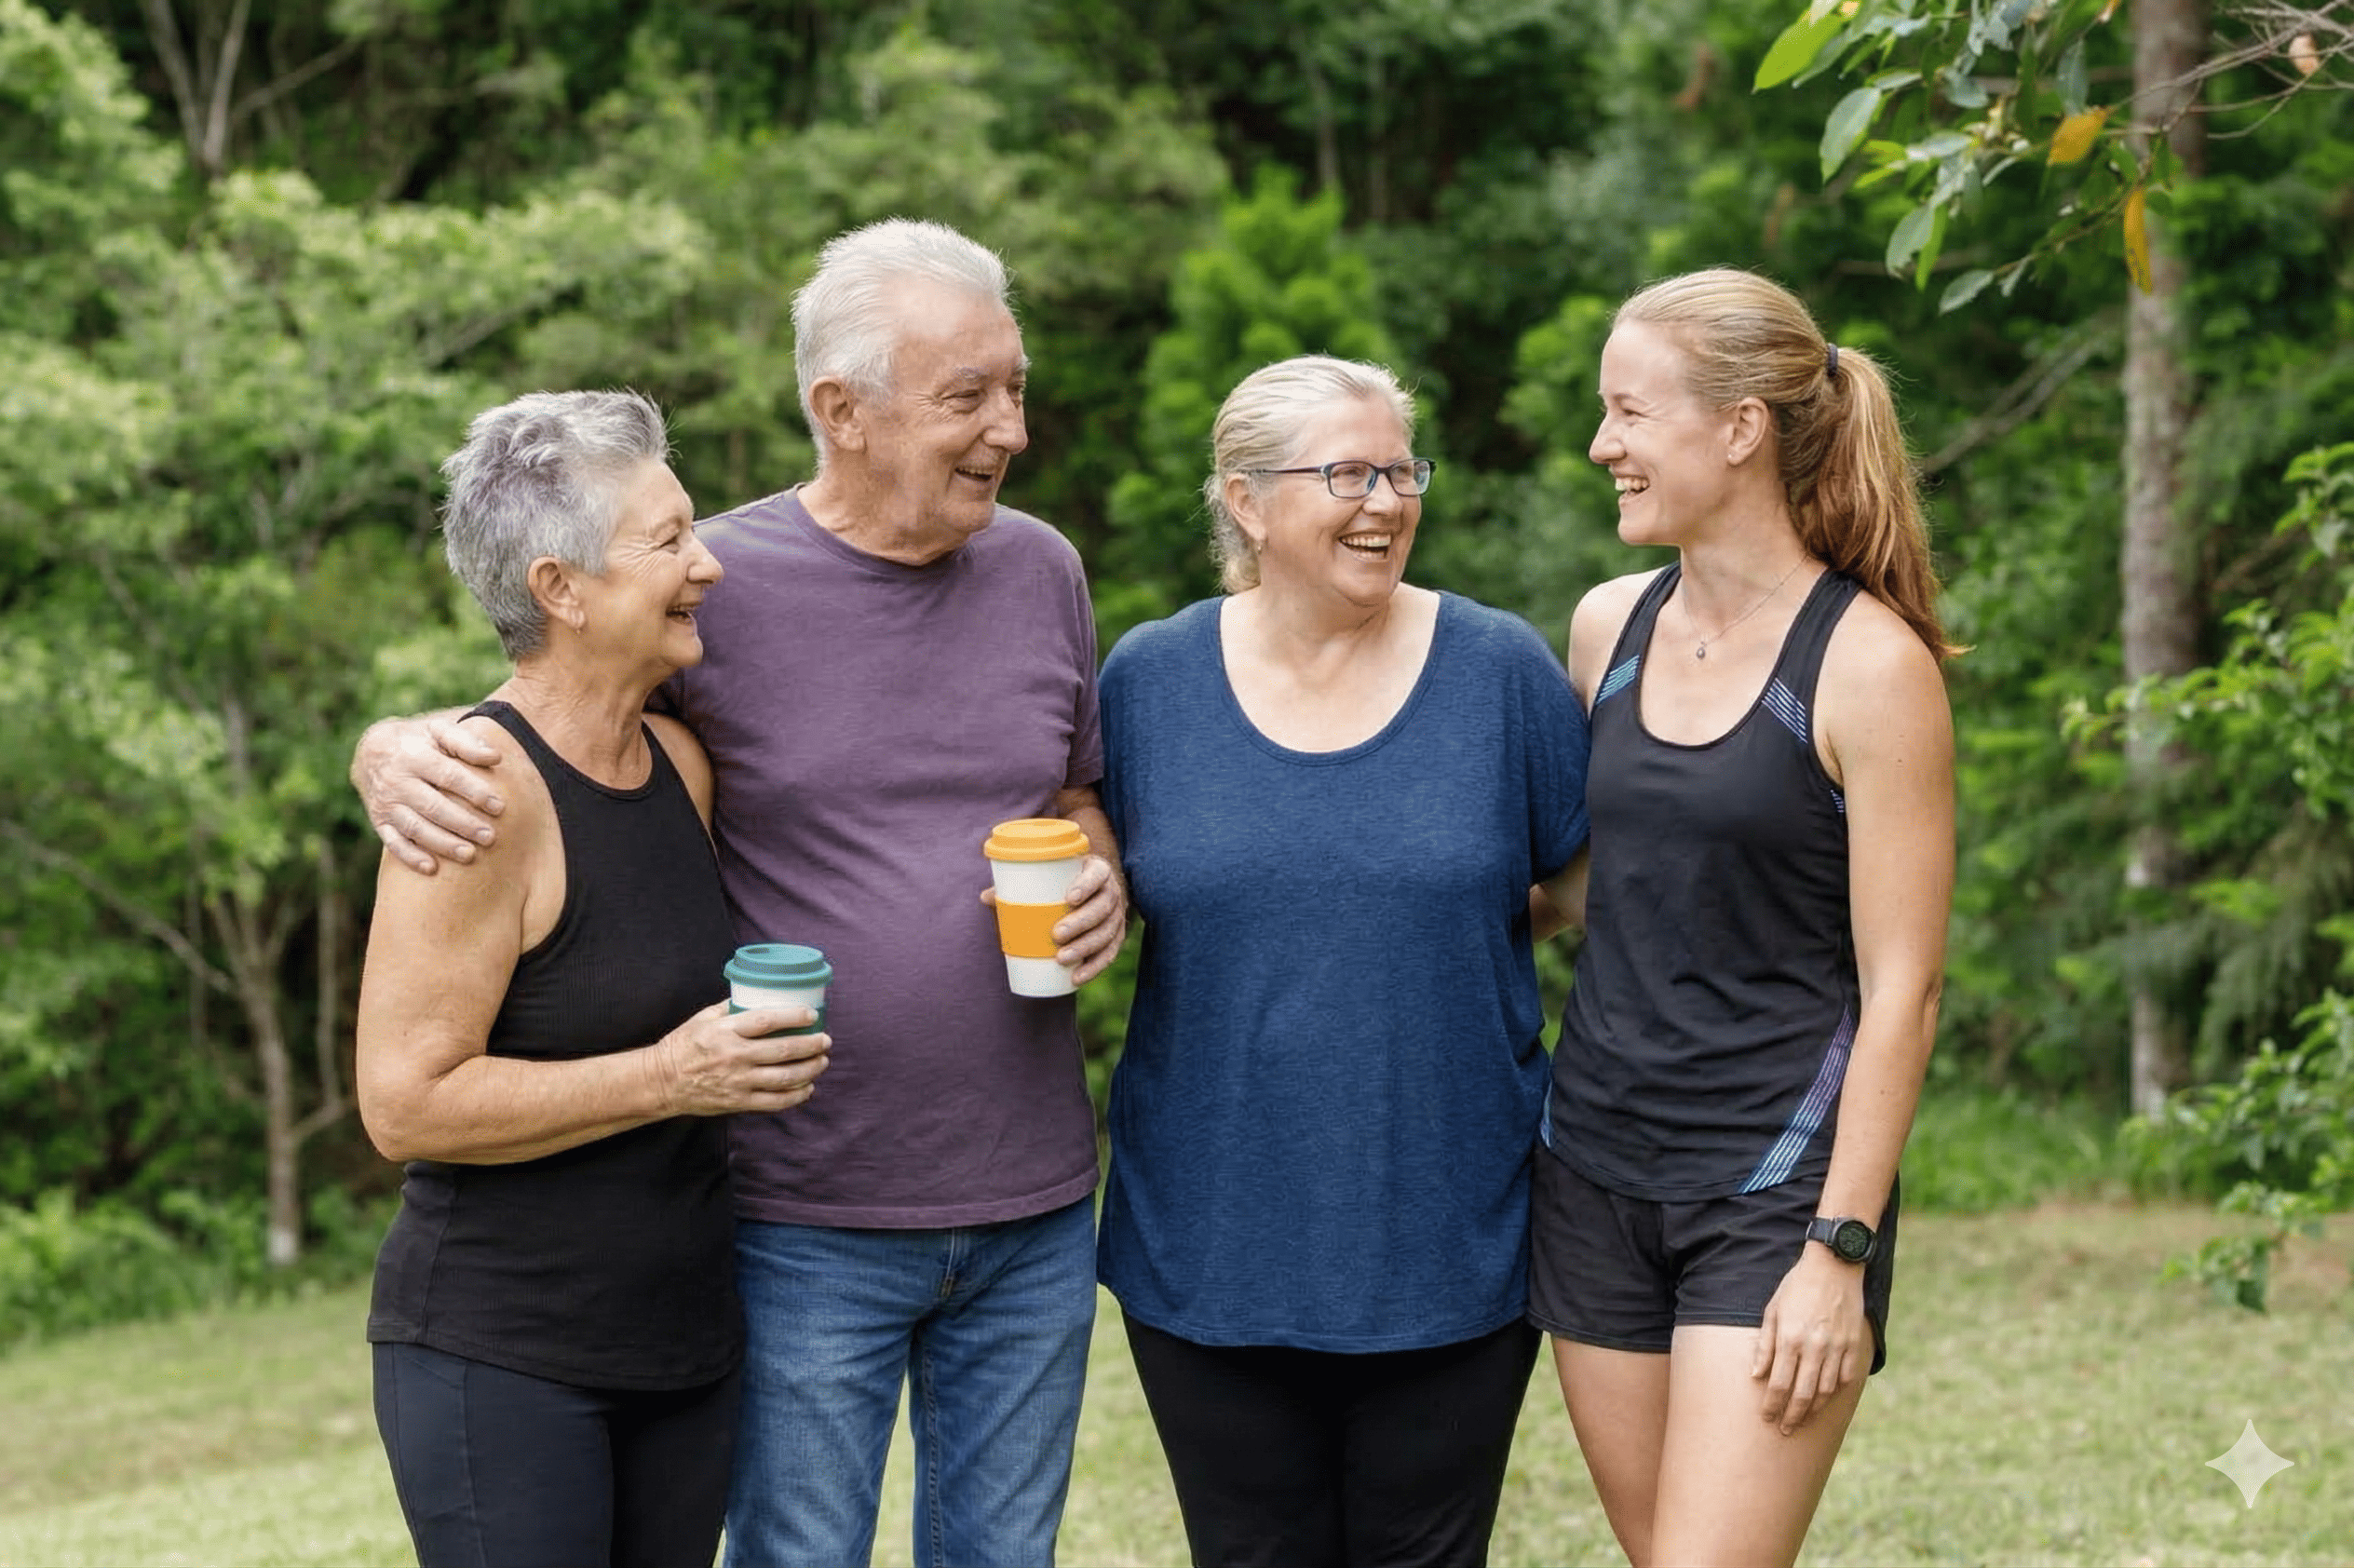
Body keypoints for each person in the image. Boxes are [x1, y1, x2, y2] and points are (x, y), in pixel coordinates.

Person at [351, 221, 1126, 1568]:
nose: (1011, 426)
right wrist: (384, 746)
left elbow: (1072, 796)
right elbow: (547, 707)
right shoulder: (717, 587)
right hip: (800, 1215)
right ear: (843, 411)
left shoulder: (1043, 569)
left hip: (1037, 1206)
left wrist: (1100, 869)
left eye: (1015, 386)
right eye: (967, 398)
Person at [1095, 355, 1591, 1568]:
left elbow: (1576, 883)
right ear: (1248, 500)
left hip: (1449, 1237)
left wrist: (1436, 928)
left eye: (1400, 470)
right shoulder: (1147, 682)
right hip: (1210, 1243)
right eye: (1348, 474)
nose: (1387, 501)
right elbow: (1102, 870)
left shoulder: (1502, 671)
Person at [357, 389, 833, 1568]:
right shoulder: (478, 793)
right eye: (668, 540)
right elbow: (403, 1102)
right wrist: (672, 1075)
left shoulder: (680, 763)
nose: (708, 564)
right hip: (502, 1358)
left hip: (684, 1353)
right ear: (560, 589)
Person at [1529, 268, 1956, 1568]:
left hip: (1773, 1197)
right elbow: (1590, 890)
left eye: (1627, 413)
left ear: (1738, 428)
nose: (1601, 444)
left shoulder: (1869, 665)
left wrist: (1840, 1246)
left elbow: (1904, 990)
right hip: (1594, 1171)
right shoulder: (1610, 626)